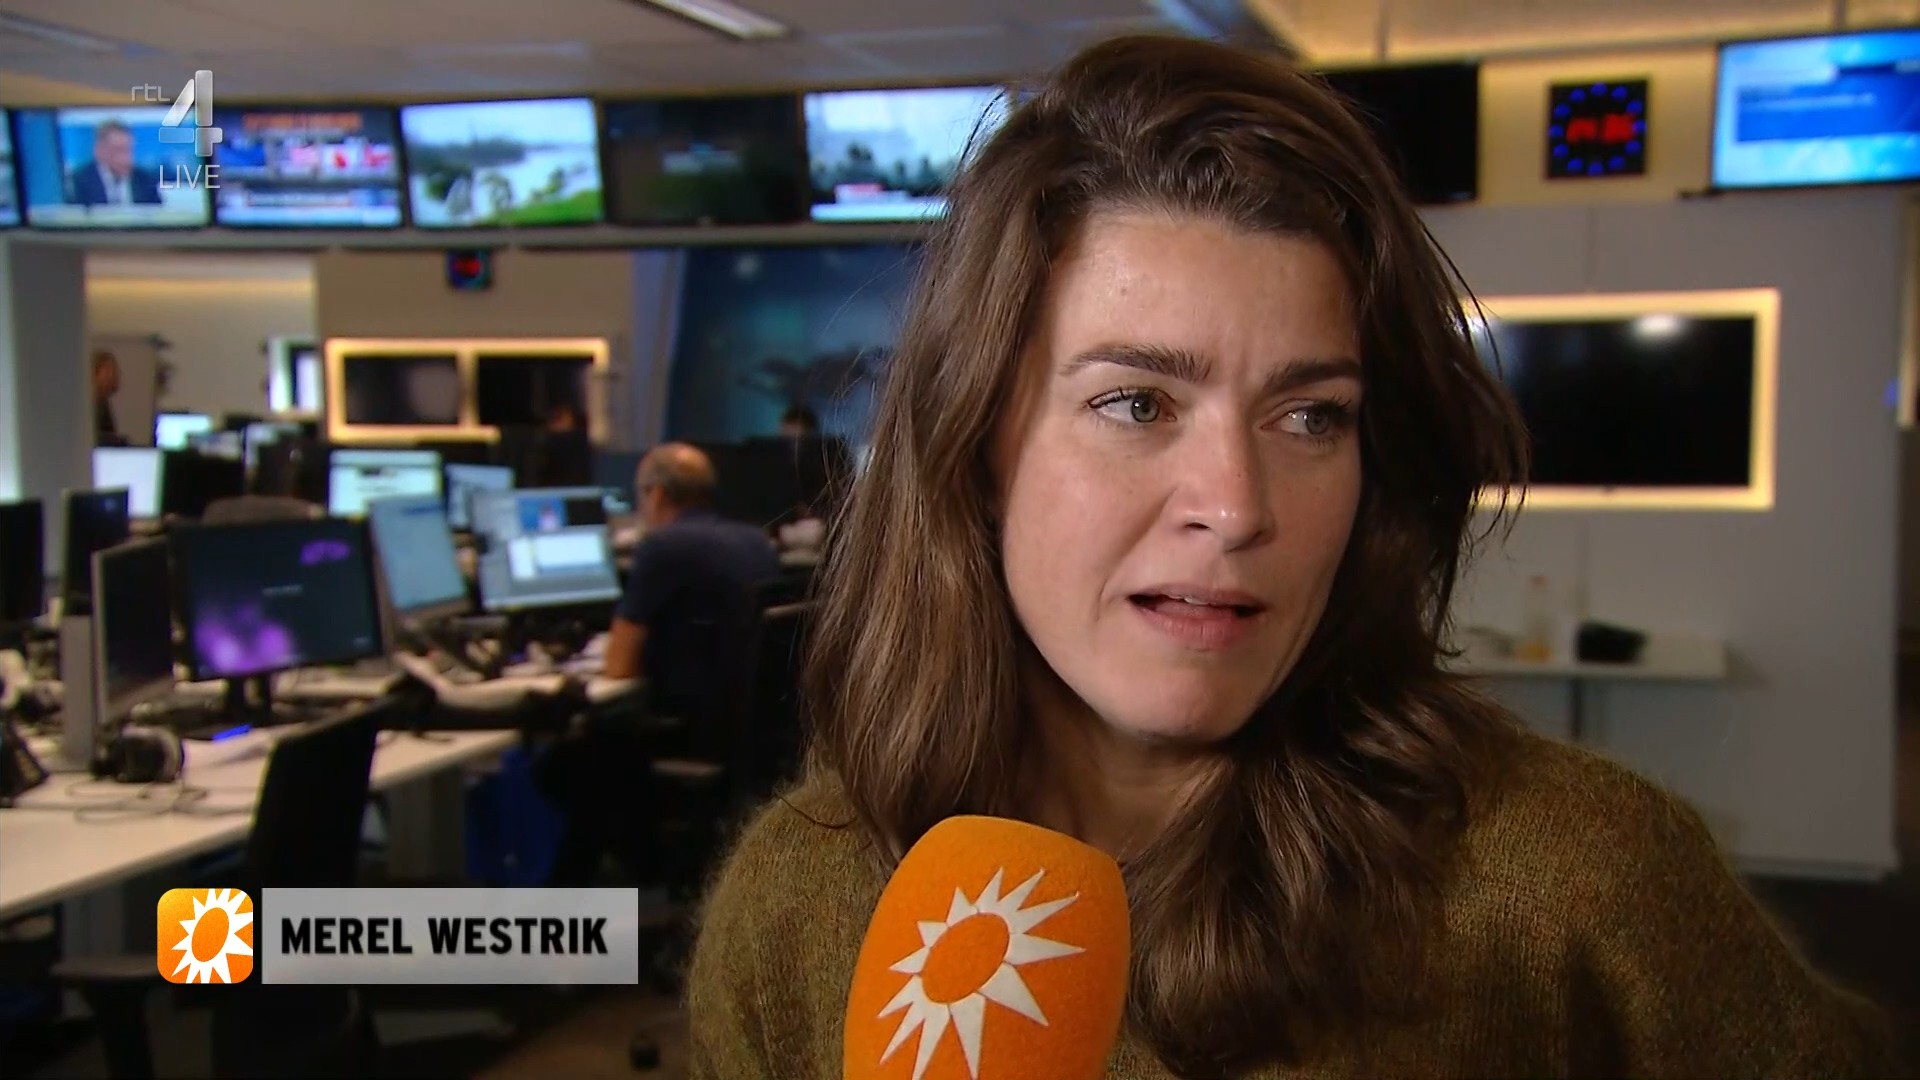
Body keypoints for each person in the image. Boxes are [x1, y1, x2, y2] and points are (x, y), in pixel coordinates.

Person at [685, 35, 1894, 1078]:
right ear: (978, 446)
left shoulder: (1579, 882)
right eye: (1137, 403)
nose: (1235, 506)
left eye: (1310, 416)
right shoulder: (796, 901)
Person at [604, 442, 780, 733]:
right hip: (750, 729)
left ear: (657, 494)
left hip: (687, 727)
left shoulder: (661, 547)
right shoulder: (757, 541)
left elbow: (619, 667)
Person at [69, 121, 162, 207]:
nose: (126, 158)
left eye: (128, 150)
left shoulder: (145, 180)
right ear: (99, 151)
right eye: (118, 150)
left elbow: (158, 215)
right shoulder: (80, 181)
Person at [91, 350, 125, 447]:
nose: (111, 375)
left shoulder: (104, 403)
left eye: (113, 371)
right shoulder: (91, 404)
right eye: (107, 371)